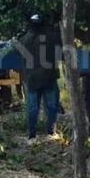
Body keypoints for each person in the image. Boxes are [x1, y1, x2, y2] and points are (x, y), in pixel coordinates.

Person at [18, 14, 61, 144]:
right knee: (51, 106)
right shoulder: (51, 37)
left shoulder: (23, 39)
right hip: (49, 78)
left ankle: (32, 136)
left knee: (32, 108)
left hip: (31, 79)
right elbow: (59, 53)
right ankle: (51, 133)